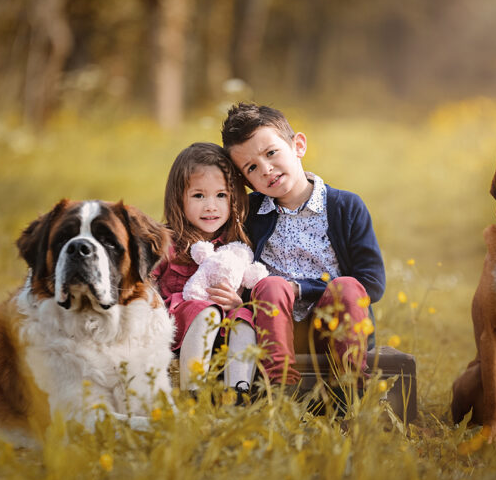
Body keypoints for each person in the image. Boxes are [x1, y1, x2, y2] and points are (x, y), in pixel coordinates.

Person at [221, 103, 386, 386]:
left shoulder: (346, 206)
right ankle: (281, 389)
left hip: (335, 327)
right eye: (252, 167)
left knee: (346, 286)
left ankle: (351, 391)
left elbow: (372, 282)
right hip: (274, 329)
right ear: (246, 181)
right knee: (271, 285)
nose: (266, 169)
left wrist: (302, 289)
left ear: (298, 145)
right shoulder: (248, 214)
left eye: (271, 153)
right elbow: (237, 266)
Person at [154, 142, 258, 394]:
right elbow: (146, 283)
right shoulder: (167, 243)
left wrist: (237, 303)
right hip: (178, 327)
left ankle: (238, 391)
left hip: (223, 333)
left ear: (234, 198)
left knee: (245, 318)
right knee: (206, 312)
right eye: (199, 195)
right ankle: (195, 392)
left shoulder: (235, 246)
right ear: (179, 199)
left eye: (221, 195)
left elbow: (246, 288)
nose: (211, 206)